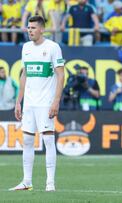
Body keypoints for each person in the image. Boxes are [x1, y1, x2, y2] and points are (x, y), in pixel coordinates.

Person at [9, 15, 65, 191]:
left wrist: (56, 101)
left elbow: (61, 75)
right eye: (28, 27)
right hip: (30, 104)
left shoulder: (53, 48)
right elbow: (24, 74)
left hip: (46, 102)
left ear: (42, 29)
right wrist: (19, 102)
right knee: (26, 140)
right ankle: (27, 181)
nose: (29, 30)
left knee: (48, 140)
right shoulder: (26, 48)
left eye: (33, 28)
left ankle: (50, 182)